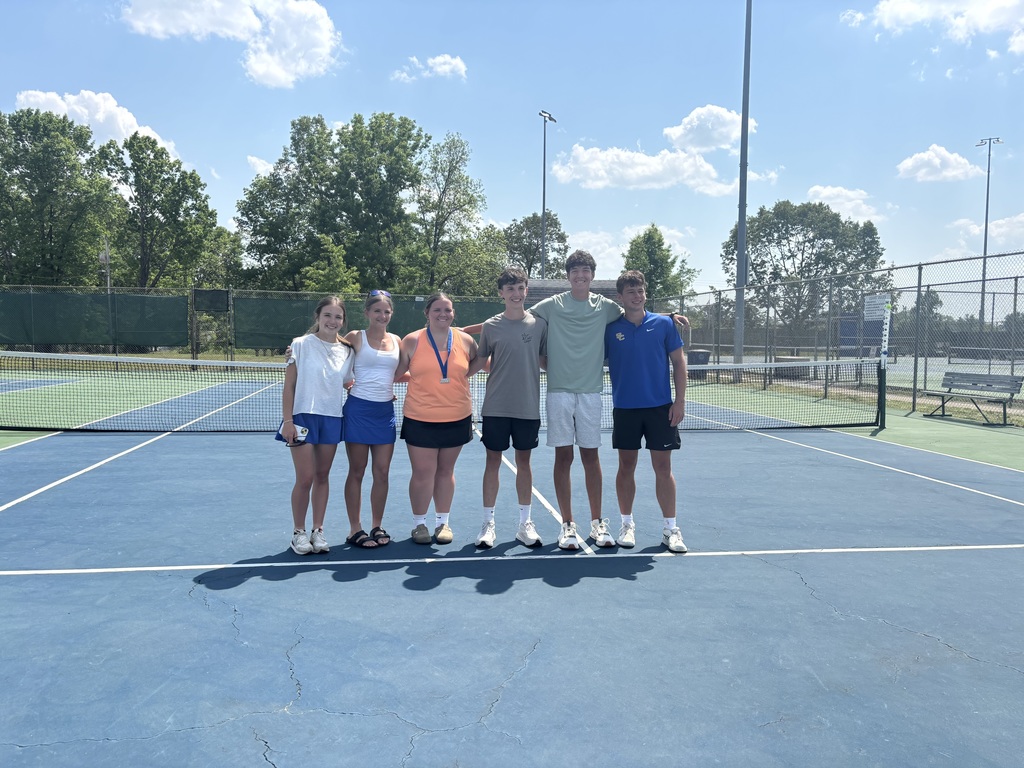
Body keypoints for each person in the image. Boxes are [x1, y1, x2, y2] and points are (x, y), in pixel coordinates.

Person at [528, 250, 688, 551]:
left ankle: (635, 526)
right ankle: (585, 525)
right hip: (579, 397)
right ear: (569, 275)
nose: (580, 276)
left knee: (605, 460)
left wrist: (668, 316)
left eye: (585, 271)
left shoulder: (611, 311)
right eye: (575, 271)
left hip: (616, 399)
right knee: (575, 459)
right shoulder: (570, 311)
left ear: (591, 275)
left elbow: (640, 317)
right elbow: (520, 319)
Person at [604, 270, 688, 553]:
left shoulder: (664, 325)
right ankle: (627, 524)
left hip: (660, 409)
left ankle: (670, 529)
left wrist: (680, 401)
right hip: (625, 409)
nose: (637, 296)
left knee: (663, 469)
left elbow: (678, 362)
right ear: (620, 297)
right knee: (626, 467)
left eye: (640, 291)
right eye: (630, 292)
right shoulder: (610, 328)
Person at [467, 267, 548, 548]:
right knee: (493, 462)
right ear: (501, 294)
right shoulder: (491, 326)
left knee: (524, 463)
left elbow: (545, 360)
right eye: (510, 289)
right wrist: (453, 376)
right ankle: (488, 524)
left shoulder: (539, 324)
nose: (516, 293)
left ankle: (525, 524)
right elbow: (479, 360)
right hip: (496, 407)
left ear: (526, 291)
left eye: (520, 288)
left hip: (527, 407)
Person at [397, 292, 479, 545]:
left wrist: (461, 377)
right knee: (423, 472)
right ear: (427, 314)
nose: (443, 314)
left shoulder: (465, 340)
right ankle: (419, 525)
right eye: (437, 310)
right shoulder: (411, 341)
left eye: (448, 310)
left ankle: (442, 523)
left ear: (453, 313)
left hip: (457, 415)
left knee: (446, 471)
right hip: (420, 417)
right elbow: (396, 371)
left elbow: (477, 362)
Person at [277, 296, 355, 555]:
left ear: (343, 321)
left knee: (322, 477)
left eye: (338, 317)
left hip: (332, 418)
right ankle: (298, 532)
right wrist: (288, 421)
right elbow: (289, 386)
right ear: (318, 317)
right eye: (328, 316)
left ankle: (318, 530)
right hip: (301, 419)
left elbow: (347, 382)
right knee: (305, 477)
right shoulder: (300, 345)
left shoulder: (347, 351)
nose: (332, 321)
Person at [340, 290, 403, 549]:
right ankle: (355, 529)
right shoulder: (355, 337)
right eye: (377, 310)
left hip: (384, 413)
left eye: (386, 311)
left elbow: (401, 372)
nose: (382, 315)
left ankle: (377, 525)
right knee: (357, 471)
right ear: (366, 313)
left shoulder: (398, 340)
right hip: (357, 411)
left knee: (382, 472)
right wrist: (295, 350)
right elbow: (327, 349)